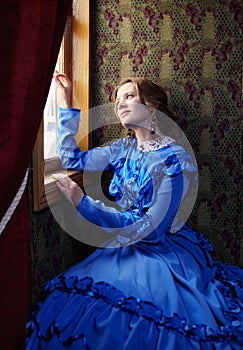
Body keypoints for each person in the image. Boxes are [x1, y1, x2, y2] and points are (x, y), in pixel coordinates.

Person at [26, 72, 243, 349]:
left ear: (151, 106)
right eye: (117, 100)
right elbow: (72, 158)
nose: (120, 104)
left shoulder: (174, 158)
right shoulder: (122, 149)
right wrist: (64, 101)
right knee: (79, 296)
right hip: (123, 239)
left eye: (129, 96)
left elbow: (152, 230)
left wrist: (84, 203)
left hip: (160, 249)